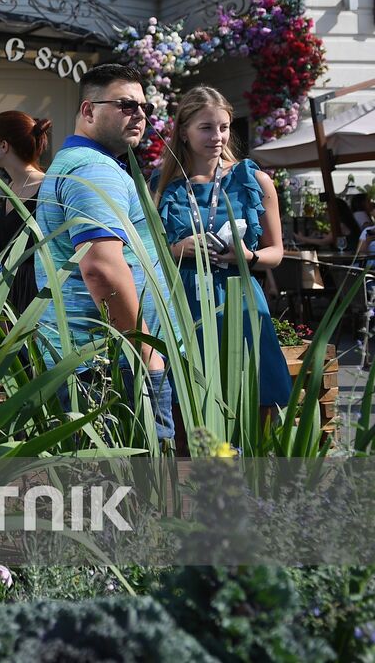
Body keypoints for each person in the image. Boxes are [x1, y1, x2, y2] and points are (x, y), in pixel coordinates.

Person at [34, 64, 174, 442]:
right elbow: (100, 269)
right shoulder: (95, 170)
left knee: (99, 488)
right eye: (126, 105)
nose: (140, 115)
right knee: (140, 491)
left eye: (144, 107)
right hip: (111, 362)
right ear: (88, 111)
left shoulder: (76, 164)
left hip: (94, 357)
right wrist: (146, 353)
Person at [153, 86, 291, 410]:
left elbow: (276, 253)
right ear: (184, 132)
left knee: (256, 398)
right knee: (187, 403)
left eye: (224, 127)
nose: (217, 136)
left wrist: (249, 256)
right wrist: (176, 250)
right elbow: (145, 249)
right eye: (206, 127)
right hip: (184, 300)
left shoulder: (253, 179)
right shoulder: (161, 184)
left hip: (238, 296)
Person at [0, 111, 52, 314]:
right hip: (8, 294)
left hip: (39, 297)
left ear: (4, 146)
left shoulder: (48, 188)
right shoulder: (9, 187)